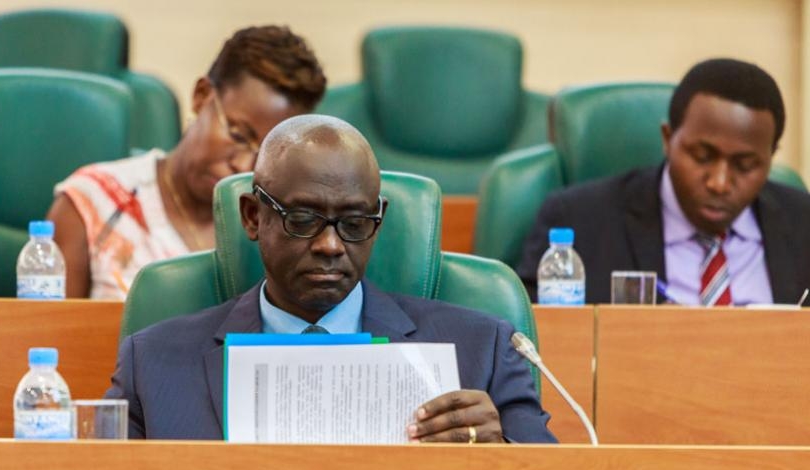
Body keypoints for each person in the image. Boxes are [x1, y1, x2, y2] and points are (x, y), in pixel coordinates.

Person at [105, 114, 556, 444]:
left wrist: (502, 454)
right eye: (303, 218)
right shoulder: (154, 362)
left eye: (355, 223)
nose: (330, 245)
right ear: (252, 217)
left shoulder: (483, 350)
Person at [47, 26, 326, 299]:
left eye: (266, 153)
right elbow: (47, 335)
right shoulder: (93, 202)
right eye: (238, 135)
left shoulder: (274, 228)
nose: (243, 165)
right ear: (202, 95)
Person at [517, 58, 810, 305]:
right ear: (668, 140)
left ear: (771, 157)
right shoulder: (580, 220)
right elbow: (529, 343)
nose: (720, 183)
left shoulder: (803, 224)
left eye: (745, 165)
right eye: (702, 156)